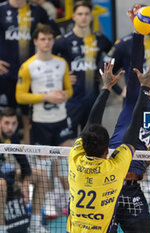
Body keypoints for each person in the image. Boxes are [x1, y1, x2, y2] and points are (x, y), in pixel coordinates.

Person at [109, 5, 150, 233]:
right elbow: (136, 66)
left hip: (131, 190)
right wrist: (139, 33)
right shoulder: (136, 102)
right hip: (108, 183)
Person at [66, 58, 136, 233]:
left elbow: (91, 124)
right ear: (107, 150)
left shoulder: (75, 158)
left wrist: (106, 88)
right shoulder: (113, 167)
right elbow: (133, 127)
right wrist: (143, 91)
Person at [15, 23, 74, 216]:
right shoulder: (28, 66)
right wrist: (46, 97)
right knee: (44, 165)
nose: (46, 42)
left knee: (65, 161)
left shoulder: (61, 63)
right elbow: (20, 96)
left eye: (49, 39)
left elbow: (69, 90)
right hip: (40, 121)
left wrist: (64, 95)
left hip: (61, 119)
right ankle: (48, 201)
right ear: (35, 41)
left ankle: (68, 199)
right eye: (43, 39)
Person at [0, 0, 60, 144]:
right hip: (4, 75)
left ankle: (28, 163)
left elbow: (57, 36)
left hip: (31, 75)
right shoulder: (1, 9)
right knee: (3, 119)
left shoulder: (37, 10)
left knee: (28, 121)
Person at [53, 0, 113, 138]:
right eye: (80, 14)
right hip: (71, 101)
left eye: (86, 14)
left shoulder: (100, 39)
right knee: (68, 142)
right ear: (73, 16)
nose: (84, 17)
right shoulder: (63, 41)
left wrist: (106, 73)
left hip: (93, 99)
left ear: (91, 16)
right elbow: (46, 59)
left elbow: (116, 55)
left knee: (92, 140)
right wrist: (60, 75)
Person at [0, 107, 50, 233]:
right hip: (3, 179)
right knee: (2, 184)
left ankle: (35, 225)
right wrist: (18, 183)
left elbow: (24, 164)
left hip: (5, 175)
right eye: (6, 123)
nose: (10, 127)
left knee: (42, 175)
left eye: (14, 123)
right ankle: (2, 229)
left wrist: (26, 182)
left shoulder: (12, 137)